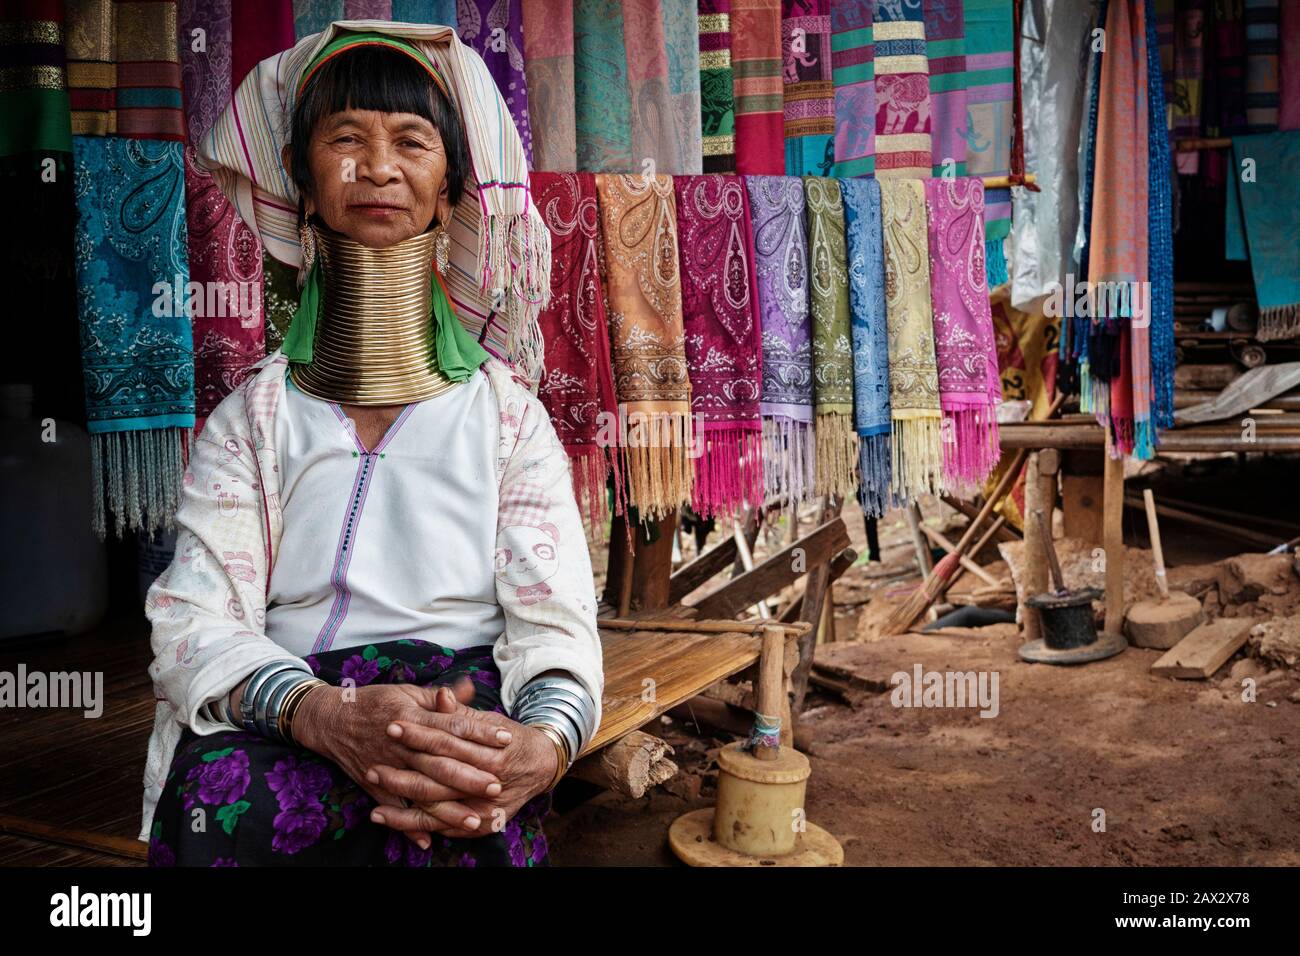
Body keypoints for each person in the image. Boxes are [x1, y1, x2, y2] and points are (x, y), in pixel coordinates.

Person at [139, 23, 602, 867]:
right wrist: (320, 714)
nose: (379, 167)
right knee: (216, 799)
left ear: (451, 188)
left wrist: (541, 748)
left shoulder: (507, 418)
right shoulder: (254, 419)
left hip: (458, 705)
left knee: (469, 815)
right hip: (296, 703)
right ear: (305, 186)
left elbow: (556, 625)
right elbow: (192, 620)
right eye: (345, 139)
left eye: (411, 142)